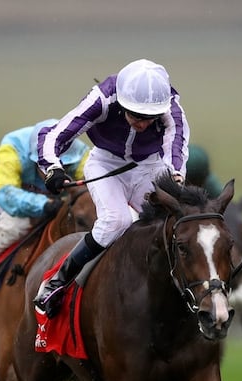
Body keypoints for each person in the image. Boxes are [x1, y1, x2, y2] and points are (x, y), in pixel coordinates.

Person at [33, 58, 190, 316]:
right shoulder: (103, 98)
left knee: (171, 222)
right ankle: (57, 282)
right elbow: (54, 134)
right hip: (105, 163)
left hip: (149, 166)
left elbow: (177, 144)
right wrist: (53, 168)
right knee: (116, 221)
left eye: (150, 118)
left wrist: (175, 177)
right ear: (122, 102)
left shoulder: (170, 106)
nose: (142, 123)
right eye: (136, 115)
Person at [0, 119, 90, 306]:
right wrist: (44, 205)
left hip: (53, 200)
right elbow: (5, 192)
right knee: (15, 225)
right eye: (45, 166)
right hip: (1, 193)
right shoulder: (13, 147)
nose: (52, 171)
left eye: (60, 166)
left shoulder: (82, 155)